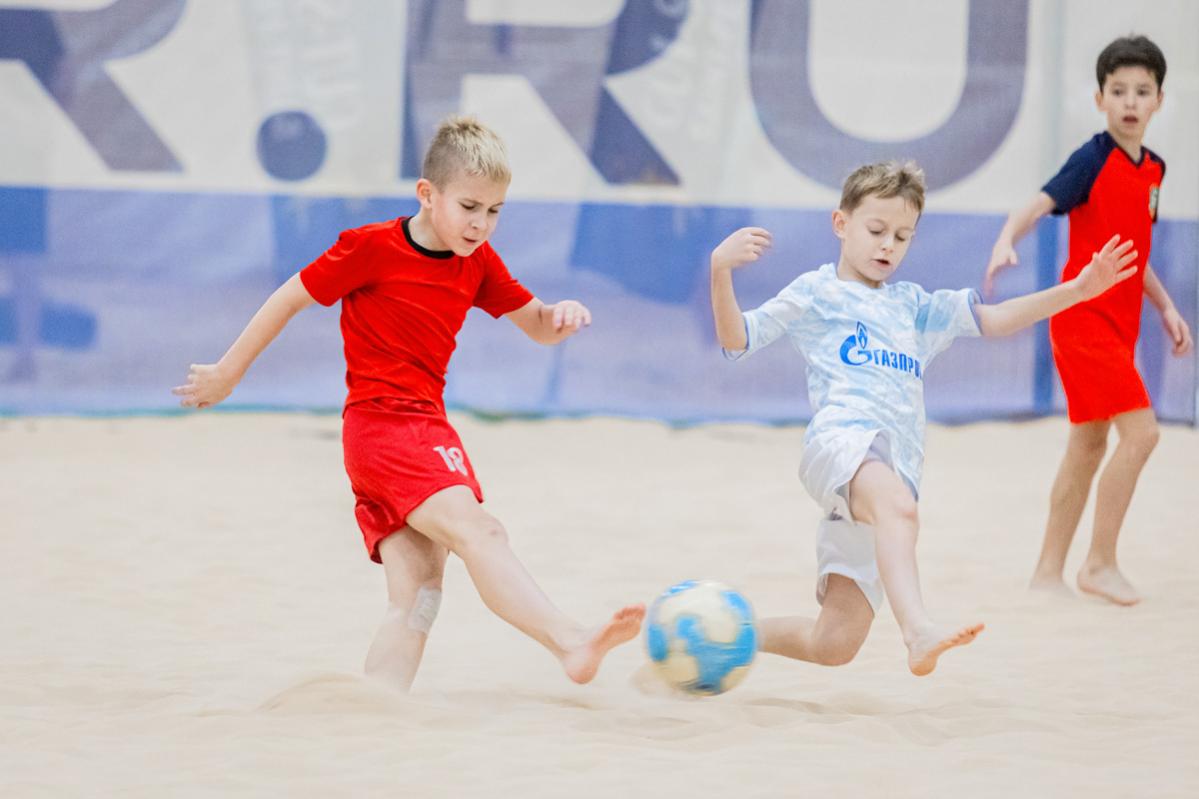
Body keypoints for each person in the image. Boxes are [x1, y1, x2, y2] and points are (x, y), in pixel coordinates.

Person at [174, 116, 644, 691]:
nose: (481, 223)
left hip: (399, 434)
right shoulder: (369, 247)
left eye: (494, 211)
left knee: (419, 596)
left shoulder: (478, 262)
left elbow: (539, 325)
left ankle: (379, 701)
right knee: (483, 533)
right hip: (389, 428)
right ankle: (569, 641)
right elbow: (289, 298)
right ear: (427, 193)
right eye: (469, 206)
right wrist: (228, 372)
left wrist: (560, 316)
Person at [710, 160, 1138, 675]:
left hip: (894, 469)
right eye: (876, 230)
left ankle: (733, 635)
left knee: (835, 643)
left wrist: (1077, 292)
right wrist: (720, 270)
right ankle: (917, 632)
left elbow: (995, 319)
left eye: (902, 236)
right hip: (842, 443)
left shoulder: (913, 306)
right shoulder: (816, 291)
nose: (887, 245)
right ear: (841, 223)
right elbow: (737, 338)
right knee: (901, 510)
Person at [984, 35, 1192, 605]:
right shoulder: (1091, 160)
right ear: (1100, 99)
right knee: (1143, 435)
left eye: (1141, 91)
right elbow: (1037, 203)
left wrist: (1166, 306)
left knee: (1088, 445)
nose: (1130, 101)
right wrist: (1006, 239)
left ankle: (1047, 573)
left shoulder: (1154, 170)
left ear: (1159, 101)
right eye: (1118, 91)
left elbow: (1134, 252)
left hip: (1120, 327)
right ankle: (1099, 563)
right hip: (1081, 319)